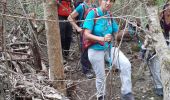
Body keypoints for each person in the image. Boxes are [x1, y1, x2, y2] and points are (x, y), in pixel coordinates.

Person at [83, 0, 135, 100]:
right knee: (101, 77)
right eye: (105, 0)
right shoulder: (93, 13)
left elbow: (117, 34)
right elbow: (86, 34)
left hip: (109, 48)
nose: (108, 3)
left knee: (126, 64)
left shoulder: (109, 15)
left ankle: (126, 93)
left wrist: (127, 31)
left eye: (111, 1)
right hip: (95, 49)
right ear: (100, 1)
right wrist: (102, 39)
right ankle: (101, 96)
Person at [67, 0, 95, 79]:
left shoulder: (94, 5)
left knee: (92, 49)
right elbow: (70, 18)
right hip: (84, 31)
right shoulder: (81, 6)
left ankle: (90, 67)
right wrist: (77, 28)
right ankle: (86, 70)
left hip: (93, 31)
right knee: (85, 50)